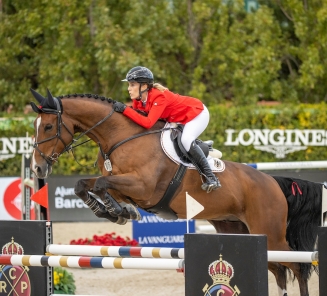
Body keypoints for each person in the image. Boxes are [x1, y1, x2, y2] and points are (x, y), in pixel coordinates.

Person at [113, 66, 221, 192]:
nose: (129, 89)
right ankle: (203, 147)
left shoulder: (159, 97)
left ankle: (211, 178)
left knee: (186, 140)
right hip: (176, 119)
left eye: (132, 85)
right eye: (129, 85)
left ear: (143, 86)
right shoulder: (138, 100)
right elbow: (137, 117)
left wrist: (125, 109)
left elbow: (148, 123)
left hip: (196, 113)